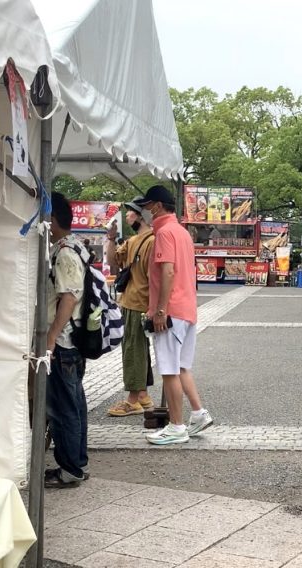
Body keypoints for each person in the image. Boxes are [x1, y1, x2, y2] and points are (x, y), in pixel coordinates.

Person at [136, 185, 215, 445]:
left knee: (169, 370)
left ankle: (176, 425)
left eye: (147, 206)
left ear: (157, 206)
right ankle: (198, 413)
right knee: (182, 367)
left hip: (171, 311)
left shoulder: (165, 233)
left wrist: (160, 310)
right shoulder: (181, 232)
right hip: (187, 309)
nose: (144, 212)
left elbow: (167, 272)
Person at [45, 192, 90, 487]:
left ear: (52, 220)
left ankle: (71, 467)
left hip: (64, 343)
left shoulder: (65, 253)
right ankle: (76, 462)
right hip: (73, 341)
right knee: (74, 405)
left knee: (65, 408)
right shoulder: (76, 247)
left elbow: (69, 297)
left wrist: (50, 339)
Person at [104, 202, 160, 419]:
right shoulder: (134, 240)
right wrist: (110, 238)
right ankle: (143, 395)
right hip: (132, 301)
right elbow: (113, 261)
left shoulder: (151, 241)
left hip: (139, 303)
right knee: (137, 349)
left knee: (133, 351)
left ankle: (133, 400)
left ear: (141, 216)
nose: (126, 216)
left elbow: (155, 276)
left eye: (130, 213)